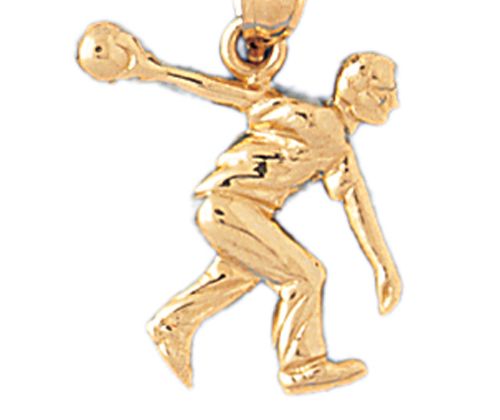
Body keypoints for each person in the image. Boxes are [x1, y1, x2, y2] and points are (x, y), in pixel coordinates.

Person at [78, 21, 402, 394]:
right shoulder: (308, 119)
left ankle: (173, 324)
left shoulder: (336, 147)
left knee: (241, 273)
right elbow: (229, 93)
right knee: (305, 276)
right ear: (363, 95)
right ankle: (301, 366)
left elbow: (358, 206)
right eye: (387, 92)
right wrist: (154, 70)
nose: (394, 103)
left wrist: (383, 266)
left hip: (236, 214)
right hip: (230, 210)